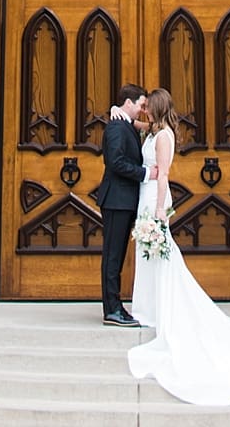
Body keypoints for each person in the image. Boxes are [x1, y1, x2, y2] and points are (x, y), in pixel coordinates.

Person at [128, 87, 230, 404]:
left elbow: (163, 174)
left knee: (161, 257)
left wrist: (161, 210)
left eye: (148, 106)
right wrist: (124, 109)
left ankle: (160, 309)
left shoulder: (163, 137)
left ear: (158, 109)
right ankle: (148, 307)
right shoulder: (151, 130)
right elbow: (132, 122)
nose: (144, 110)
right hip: (144, 197)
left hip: (154, 199)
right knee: (148, 256)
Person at [91, 83, 150, 326]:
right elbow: (115, 162)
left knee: (117, 254)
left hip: (124, 201)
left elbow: (144, 125)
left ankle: (115, 306)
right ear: (129, 103)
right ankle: (112, 309)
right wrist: (145, 173)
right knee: (113, 256)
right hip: (116, 199)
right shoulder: (116, 127)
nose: (142, 110)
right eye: (141, 105)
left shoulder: (124, 122)